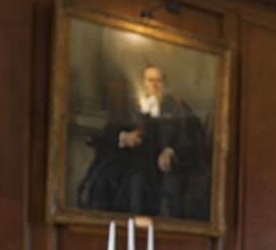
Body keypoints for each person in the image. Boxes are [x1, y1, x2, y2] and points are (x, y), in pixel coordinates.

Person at [78, 64, 205, 219]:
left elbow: (190, 137)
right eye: (150, 80)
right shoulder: (133, 108)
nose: (154, 84)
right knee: (105, 180)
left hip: (159, 166)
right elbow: (110, 131)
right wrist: (124, 137)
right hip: (131, 162)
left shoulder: (178, 108)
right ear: (144, 83)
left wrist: (171, 151)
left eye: (158, 80)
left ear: (165, 84)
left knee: (139, 183)